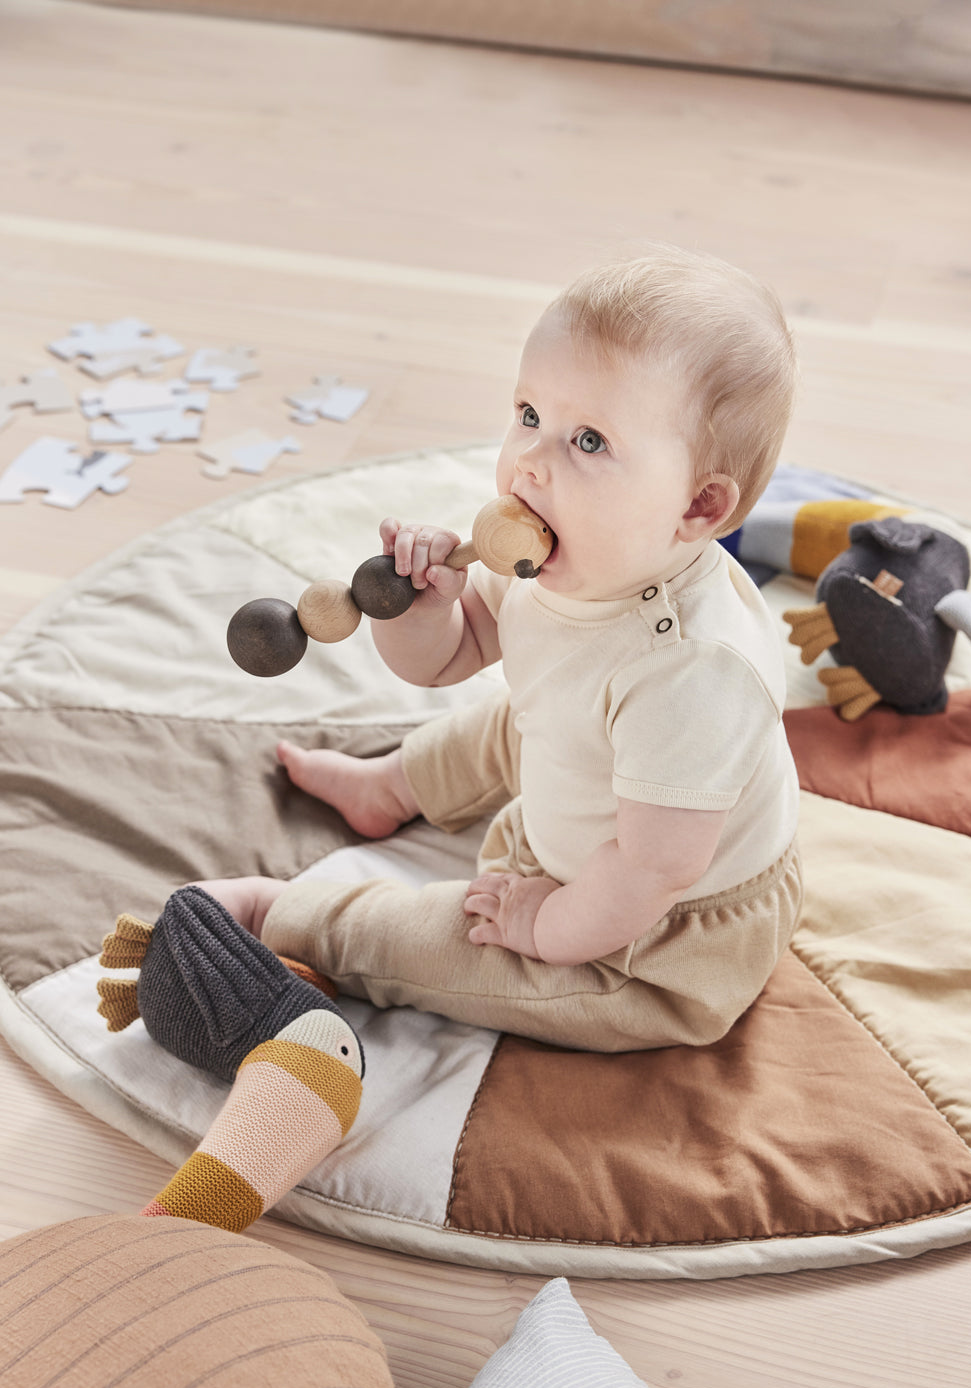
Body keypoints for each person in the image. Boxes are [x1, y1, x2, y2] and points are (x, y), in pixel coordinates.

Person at [201, 246, 803, 1053]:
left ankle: (290, 916)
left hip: (652, 935)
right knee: (519, 716)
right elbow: (445, 659)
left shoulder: (692, 673)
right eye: (529, 416)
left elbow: (655, 867)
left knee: (457, 949)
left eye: (588, 441)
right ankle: (390, 785)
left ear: (697, 505)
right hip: (601, 809)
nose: (530, 461)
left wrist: (545, 923)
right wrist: (421, 609)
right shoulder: (573, 550)